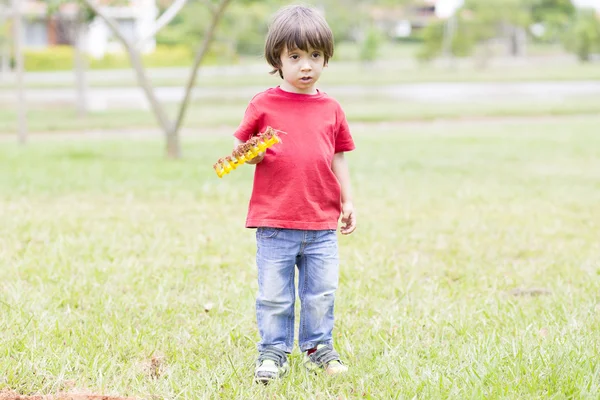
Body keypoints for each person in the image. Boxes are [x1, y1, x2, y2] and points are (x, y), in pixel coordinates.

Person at [232, 4, 356, 384]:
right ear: (278, 59)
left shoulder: (331, 107)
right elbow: (242, 150)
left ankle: (319, 349)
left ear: (326, 58)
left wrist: (348, 200)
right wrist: (252, 153)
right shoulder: (263, 104)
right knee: (274, 294)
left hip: (321, 221)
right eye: (296, 56)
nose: (306, 65)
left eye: (315, 56)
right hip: (275, 220)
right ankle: (272, 351)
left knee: (320, 293)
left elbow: (338, 157)